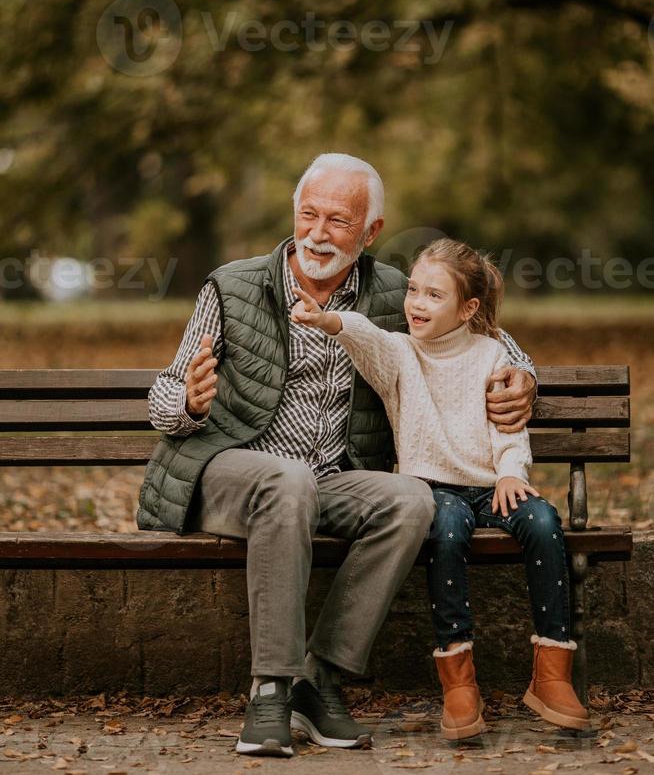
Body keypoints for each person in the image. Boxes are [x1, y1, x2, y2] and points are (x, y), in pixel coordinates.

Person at [136, 154, 538, 757]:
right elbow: (163, 398)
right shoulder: (233, 284)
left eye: (339, 221)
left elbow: (482, 335)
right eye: (309, 215)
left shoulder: (392, 293)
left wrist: (523, 374)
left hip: (330, 480)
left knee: (412, 499)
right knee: (286, 478)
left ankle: (318, 681)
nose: (319, 233)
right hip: (231, 471)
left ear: (371, 232)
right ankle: (270, 687)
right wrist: (190, 403)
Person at [291, 236, 589, 741]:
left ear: (467, 307)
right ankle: (458, 678)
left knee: (542, 521)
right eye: (413, 290)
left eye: (434, 295)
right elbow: (366, 335)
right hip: (432, 490)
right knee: (445, 529)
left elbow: (507, 427)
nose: (416, 304)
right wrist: (329, 321)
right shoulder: (400, 354)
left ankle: (551, 675)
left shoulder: (493, 354)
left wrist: (513, 471)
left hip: (490, 485)